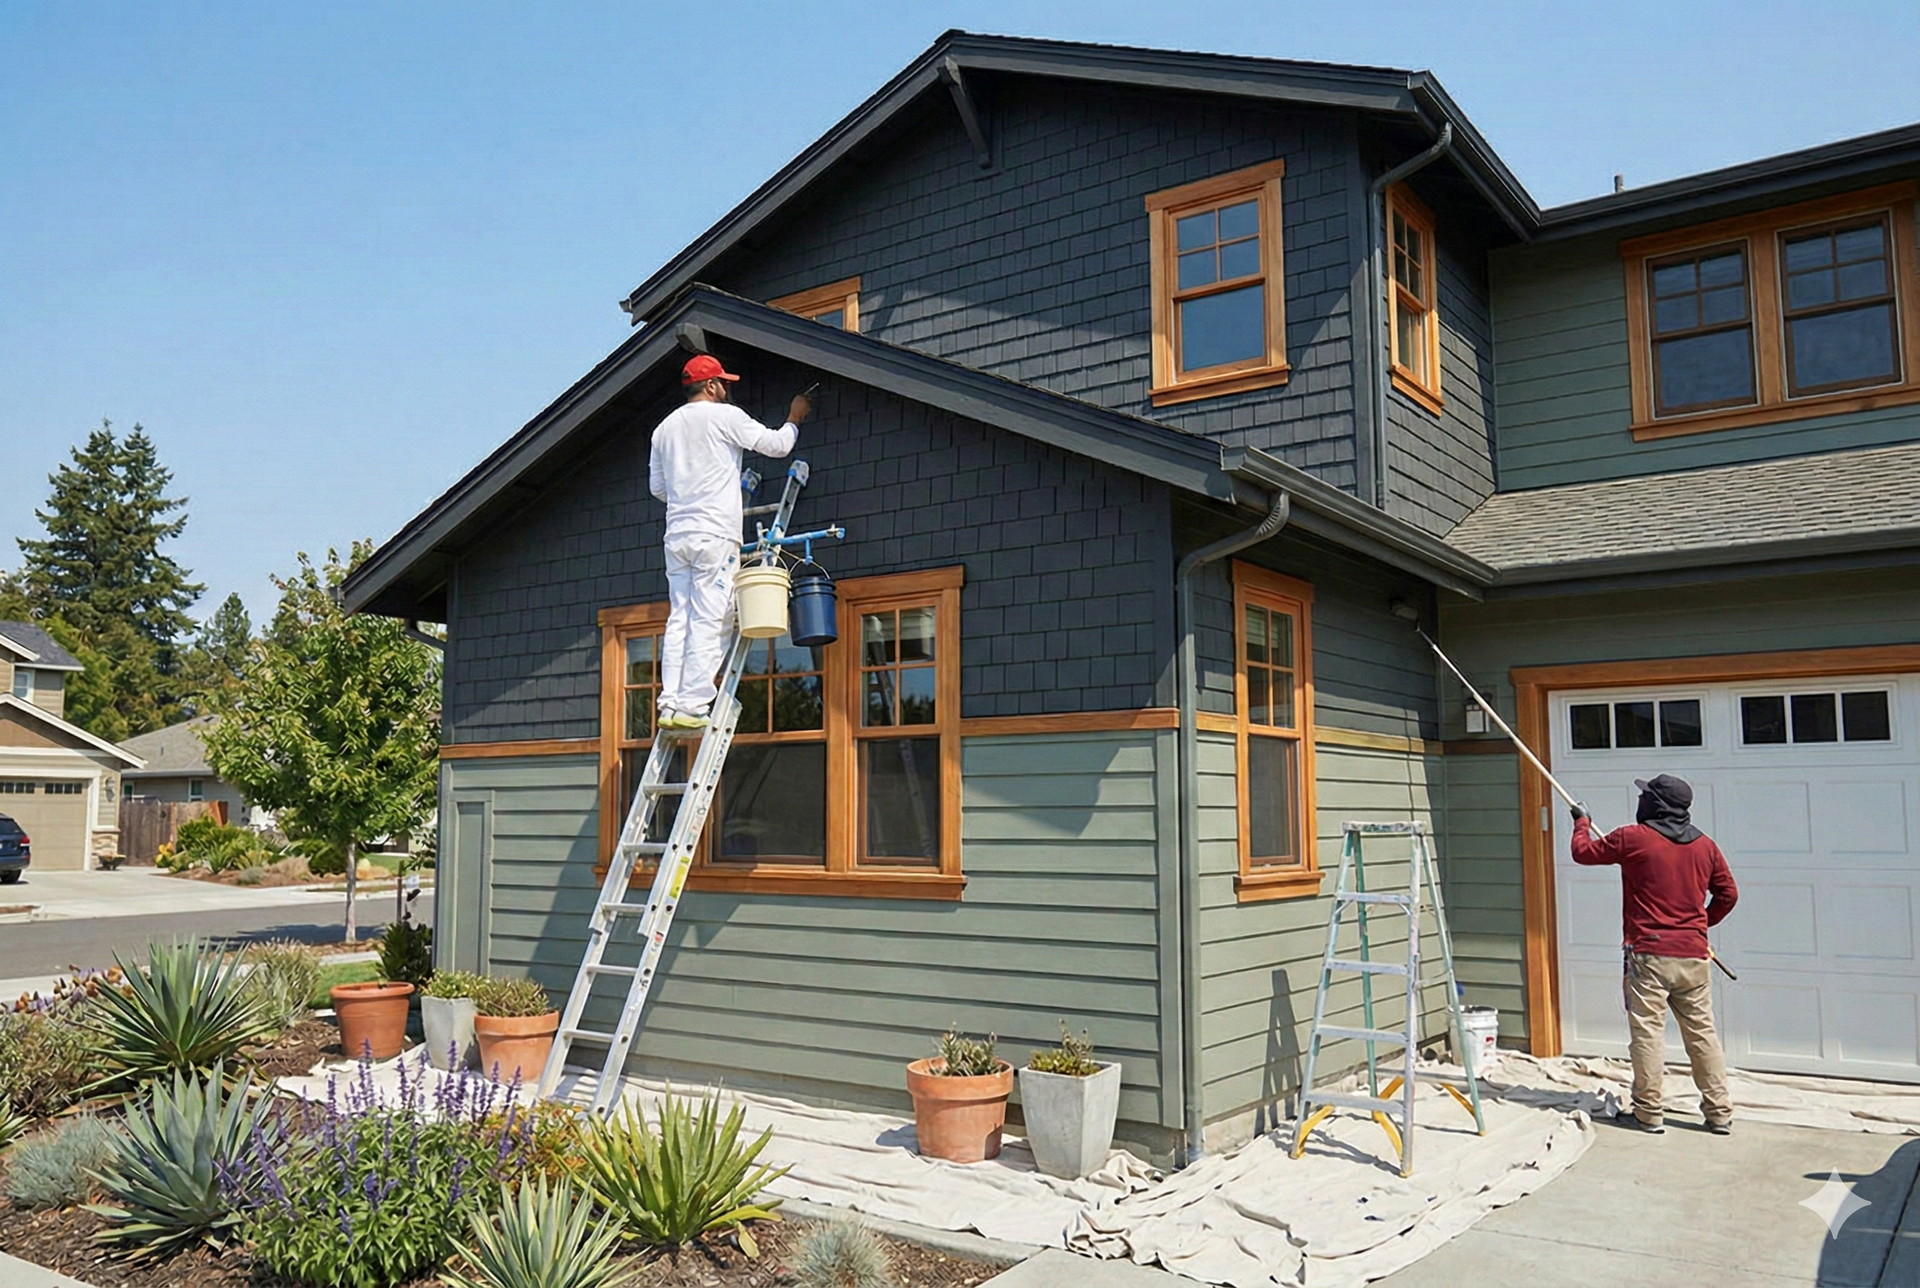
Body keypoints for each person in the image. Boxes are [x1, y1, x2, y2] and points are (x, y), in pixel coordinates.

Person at [648, 354, 810, 729]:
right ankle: (692, 705)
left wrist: (688, 491)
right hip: (715, 533)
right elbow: (776, 445)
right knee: (712, 615)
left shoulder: (663, 429)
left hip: (677, 535)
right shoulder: (726, 417)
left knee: (681, 616)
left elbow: (658, 488)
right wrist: (794, 417)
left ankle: (670, 703)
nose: (727, 389)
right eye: (724, 383)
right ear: (710, 386)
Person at [1571, 773, 1738, 1135]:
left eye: (1646, 795)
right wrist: (1700, 927)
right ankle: (1720, 1112)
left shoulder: (1633, 838)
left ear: (1655, 804)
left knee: (1647, 1035)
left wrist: (1580, 821)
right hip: (1694, 956)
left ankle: (1648, 1113)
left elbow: (1582, 853)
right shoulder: (1706, 846)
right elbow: (1728, 894)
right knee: (1702, 1034)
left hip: (1649, 955)